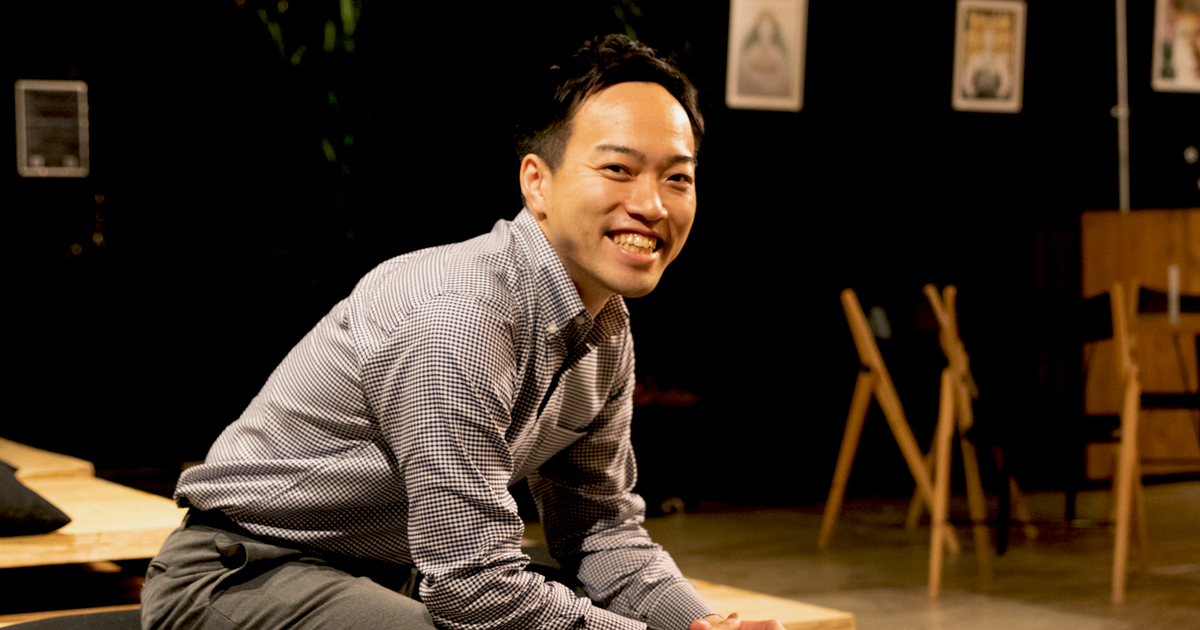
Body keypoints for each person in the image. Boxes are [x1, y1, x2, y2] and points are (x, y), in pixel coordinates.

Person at [140, 34, 783, 630]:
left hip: (390, 578)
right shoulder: (463, 315)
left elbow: (600, 530)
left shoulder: (605, 327)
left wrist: (698, 625)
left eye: (677, 178)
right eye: (618, 169)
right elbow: (472, 583)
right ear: (537, 182)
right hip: (243, 573)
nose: (652, 204)